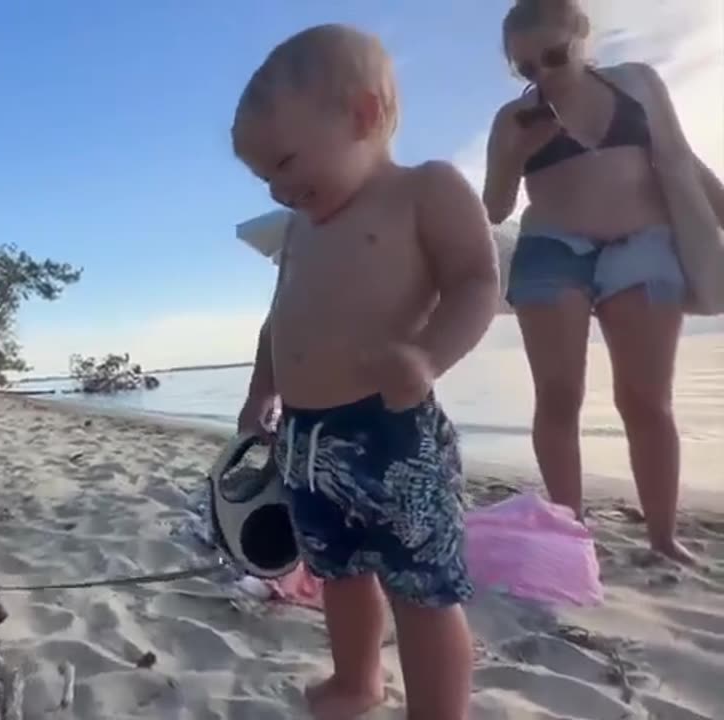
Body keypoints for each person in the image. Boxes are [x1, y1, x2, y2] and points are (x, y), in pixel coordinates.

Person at [232, 23, 500, 720]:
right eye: (267, 179)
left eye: (287, 163)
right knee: (338, 573)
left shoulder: (424, 190)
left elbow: (476, 281)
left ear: (364, 114)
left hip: (392, 431)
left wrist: (429, 355)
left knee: (422, 589)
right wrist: (262, 388)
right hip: (304, 438)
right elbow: (278, 318)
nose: (282, 189)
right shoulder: (300, 230)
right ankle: (358, 681)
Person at [483, 0, 724, 564]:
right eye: (526, 69)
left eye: (553, 56)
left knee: (645, 401)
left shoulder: (637, 84)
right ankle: (572, 536)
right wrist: (516, 156)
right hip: (551, 250)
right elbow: (493, 210)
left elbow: (683, 160)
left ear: (582, 36)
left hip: (642, 246)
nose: (542, 74)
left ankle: (663, 539)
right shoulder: (512, 120)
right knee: (559, 396)